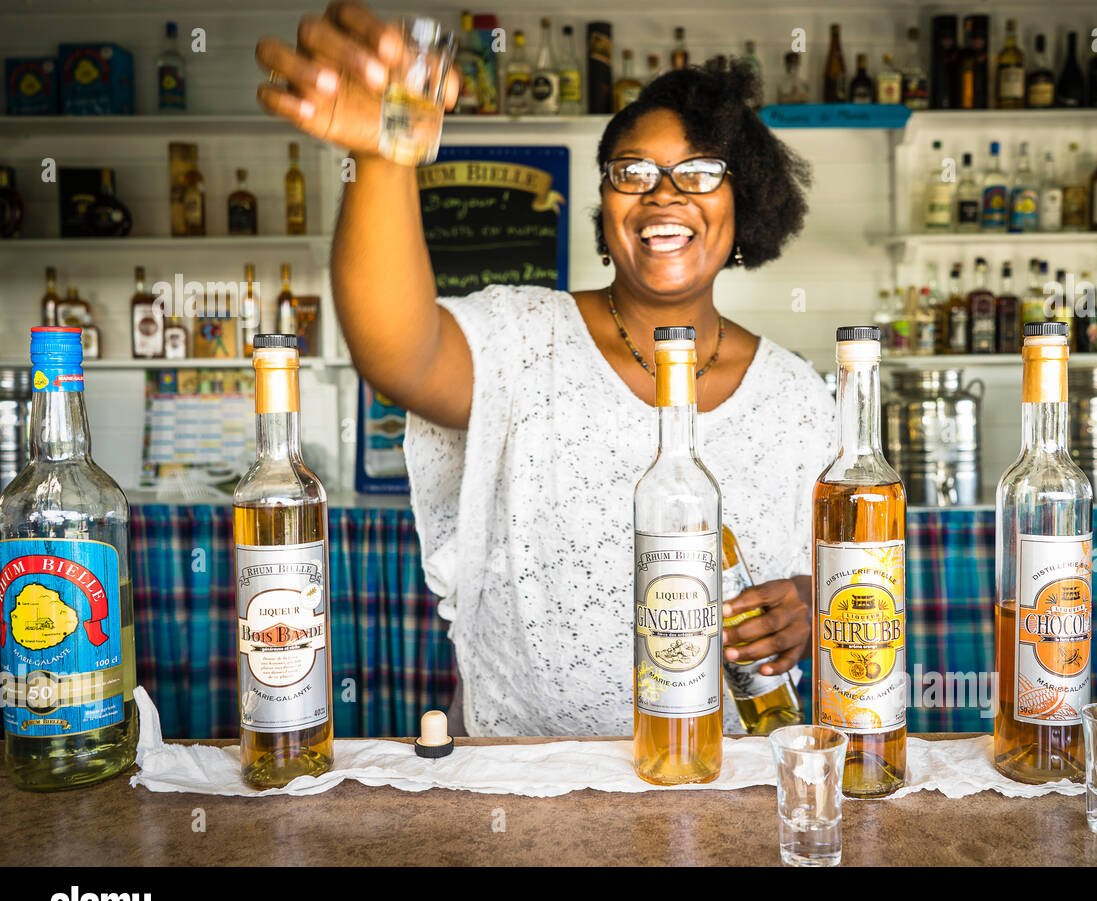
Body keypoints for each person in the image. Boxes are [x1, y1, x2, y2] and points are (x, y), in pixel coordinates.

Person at [255, 2, 835, 736]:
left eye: (698, 172)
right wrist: (383, 155)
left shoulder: (797, 397)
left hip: (727, 780)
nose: (664, 193)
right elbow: (400, 353)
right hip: (523, 780)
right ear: (604, 202)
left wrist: (811, 606)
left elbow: (846, 579)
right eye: (634, 172)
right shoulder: (526, 335)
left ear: (743, 201)